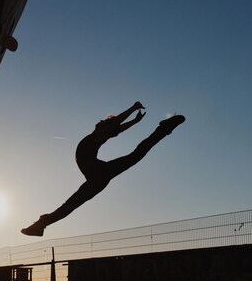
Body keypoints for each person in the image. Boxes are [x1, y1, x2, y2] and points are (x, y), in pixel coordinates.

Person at [21, 101, 185, 237]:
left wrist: (133, 109)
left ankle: (164, 129)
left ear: (104, 128)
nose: (99, 122)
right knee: (70, 205)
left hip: (98, 174)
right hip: (98, 177)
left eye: (103, 123)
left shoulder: (96, 137)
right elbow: (116, 128)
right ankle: (41, 225)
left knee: (136, 155)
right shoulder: (97, 137)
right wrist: (134, 121)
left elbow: (115, 125)